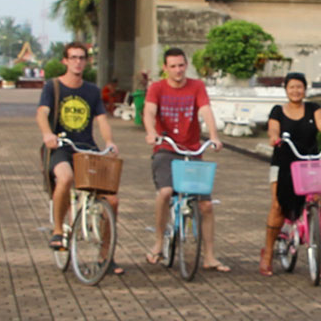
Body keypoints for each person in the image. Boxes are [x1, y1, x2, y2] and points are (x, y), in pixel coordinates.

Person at [36, 42, 124, 275]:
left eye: (82, 58)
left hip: (86, 149)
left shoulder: (92, 91)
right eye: (73, 57)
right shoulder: (52, 87)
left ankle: (107, 255)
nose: (78, 62)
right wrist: (47, 134)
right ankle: (57, 230)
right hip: (61, 147)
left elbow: (102, 120)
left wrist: (110, 142)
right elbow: (42, 113)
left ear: (87, 61)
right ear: (65, 61)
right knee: (65, 178)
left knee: (112, 200)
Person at [143, 47, 230, 272]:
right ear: (165, 68)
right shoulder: (157, 88)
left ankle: (209, 256)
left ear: (186, 65)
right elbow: (149, 112)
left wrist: (213, 136)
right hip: (166, 148)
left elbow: (206, 110)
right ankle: (158, 243)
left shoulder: (196, 86)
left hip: (191, 151)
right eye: (173, 66)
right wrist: (151, 132)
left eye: (181, 65)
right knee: (165, 192)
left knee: (206, 205)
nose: (178, 70)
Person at [259, 72, 321, 277]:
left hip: (309, 162)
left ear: (305, 89)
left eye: (299, 87)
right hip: (283, 163)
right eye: (292, 87)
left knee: (317, 205)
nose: (296, 91)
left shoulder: (313, 109)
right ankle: (268, 254)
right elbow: (273, 129)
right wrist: (274, 137)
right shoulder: (278, 111)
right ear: (286, 89)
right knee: (278, 206)